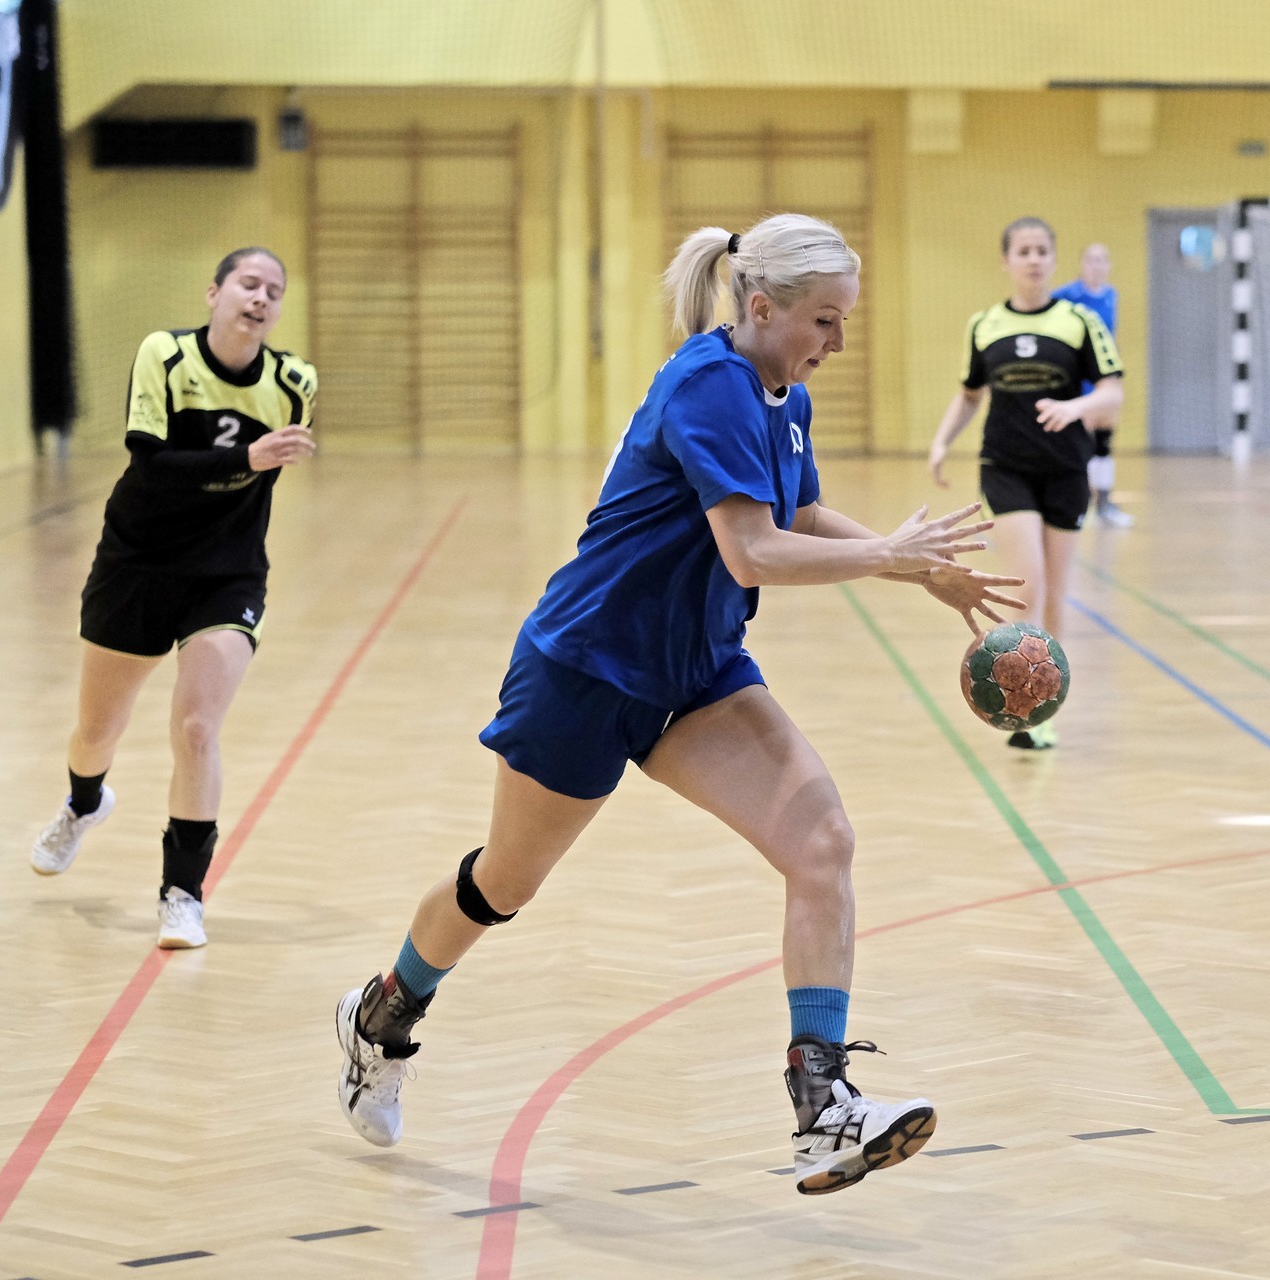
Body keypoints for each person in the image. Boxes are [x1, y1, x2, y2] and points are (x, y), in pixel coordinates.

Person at [333, 214, 1022, 1196]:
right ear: (761, 306)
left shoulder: (783, 397)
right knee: (504, 883)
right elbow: (754, 551)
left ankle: (824, 1105)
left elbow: (796, 512)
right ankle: (383, 1013)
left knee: (823, 843)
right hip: (588, 670)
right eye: (825, 321)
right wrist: (887, 556)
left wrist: (921, 571)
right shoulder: (708, 384)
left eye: (844, 321)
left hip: (696, 670)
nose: (837, 343)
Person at [29, 248, 317, 949]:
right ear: (215, 292)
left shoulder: (294, 383)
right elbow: (151, 464)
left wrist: (248, 471)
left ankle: (181, 894)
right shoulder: (165, 355)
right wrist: (244, 460)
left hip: (226, 573)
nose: (261, 298)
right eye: (248, 283)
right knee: (97, 731)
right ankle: (84, 803)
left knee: (195, 729)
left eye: (274, 291)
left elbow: (256, 483)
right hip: (138, 562)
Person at [928, 216, 1123, 750]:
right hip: (1005, 467)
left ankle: (1043, 707)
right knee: (1028, 584)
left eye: (1042, 250)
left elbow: (1112, 392)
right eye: (1023, 251)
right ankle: (1016, 700)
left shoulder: (1080, 321)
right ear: (1006, 261)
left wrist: (1075, 407)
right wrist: (942, 441)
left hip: (1066, 469)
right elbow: (970, 394)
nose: (1033, 259)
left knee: (1056, 594)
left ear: (1054, 260)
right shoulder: (985, 325)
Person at [1053, 243, 1132, 528]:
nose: (1096, 266)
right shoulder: (1065, 296)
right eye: (1091, 260)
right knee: (1080, 445)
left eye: (1102, 260)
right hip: (1078, 380)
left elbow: (1108, 338)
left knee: (1103, 442)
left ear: (1108, 265)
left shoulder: (1111, 295)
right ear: (1081, 264)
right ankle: (1080, 504)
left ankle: (1105, 506)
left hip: (1104, 377)